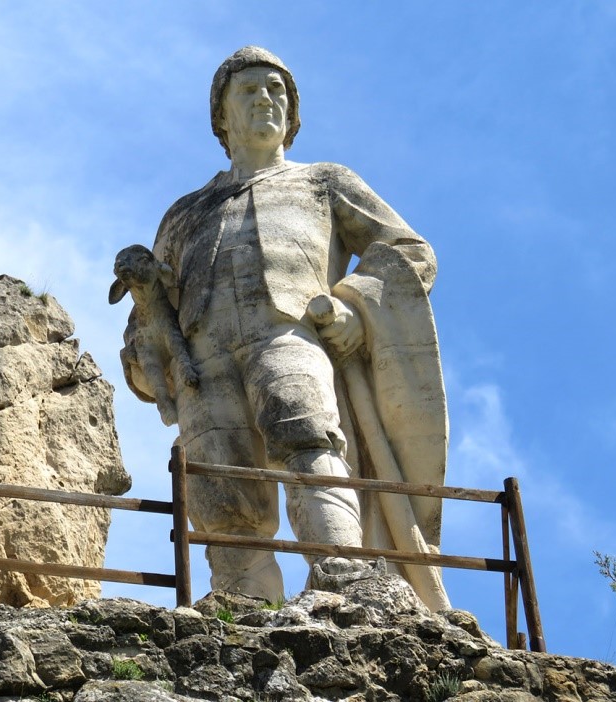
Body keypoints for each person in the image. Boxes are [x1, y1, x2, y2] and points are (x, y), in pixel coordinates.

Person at [118, 46, 450, 610]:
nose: (266, 98)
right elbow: (149, 322)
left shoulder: (324, 182)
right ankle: (240, 602)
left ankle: (345, 576)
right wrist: (148, 308)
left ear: (293, 114)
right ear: (221, 115)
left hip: (289, 331)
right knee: (219, 483)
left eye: (277, 90)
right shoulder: (184, 213)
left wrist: (352, 306)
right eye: (248, 90)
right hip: (202, 358)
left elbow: (410, 252)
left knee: (305, 436)